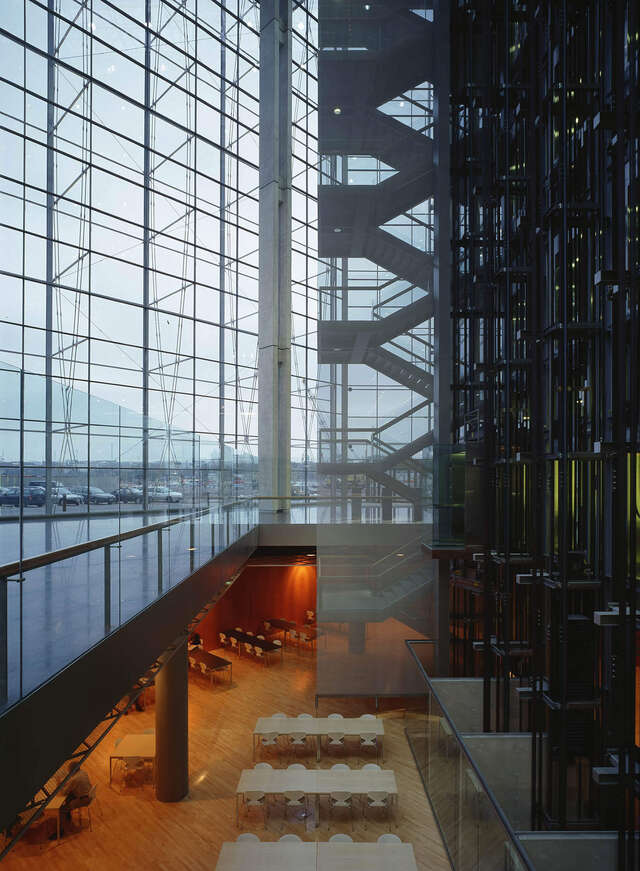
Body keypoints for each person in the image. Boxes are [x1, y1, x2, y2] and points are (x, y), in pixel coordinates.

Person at [59, 764, 93, 834]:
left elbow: (64, 792)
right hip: (89, 795)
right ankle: (68, 818)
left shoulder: (75, 779)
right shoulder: (83, 772)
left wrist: (60, 784)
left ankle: (63, 830)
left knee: (61, 809)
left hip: (84, 800)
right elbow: (73, 782)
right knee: (68, 799)